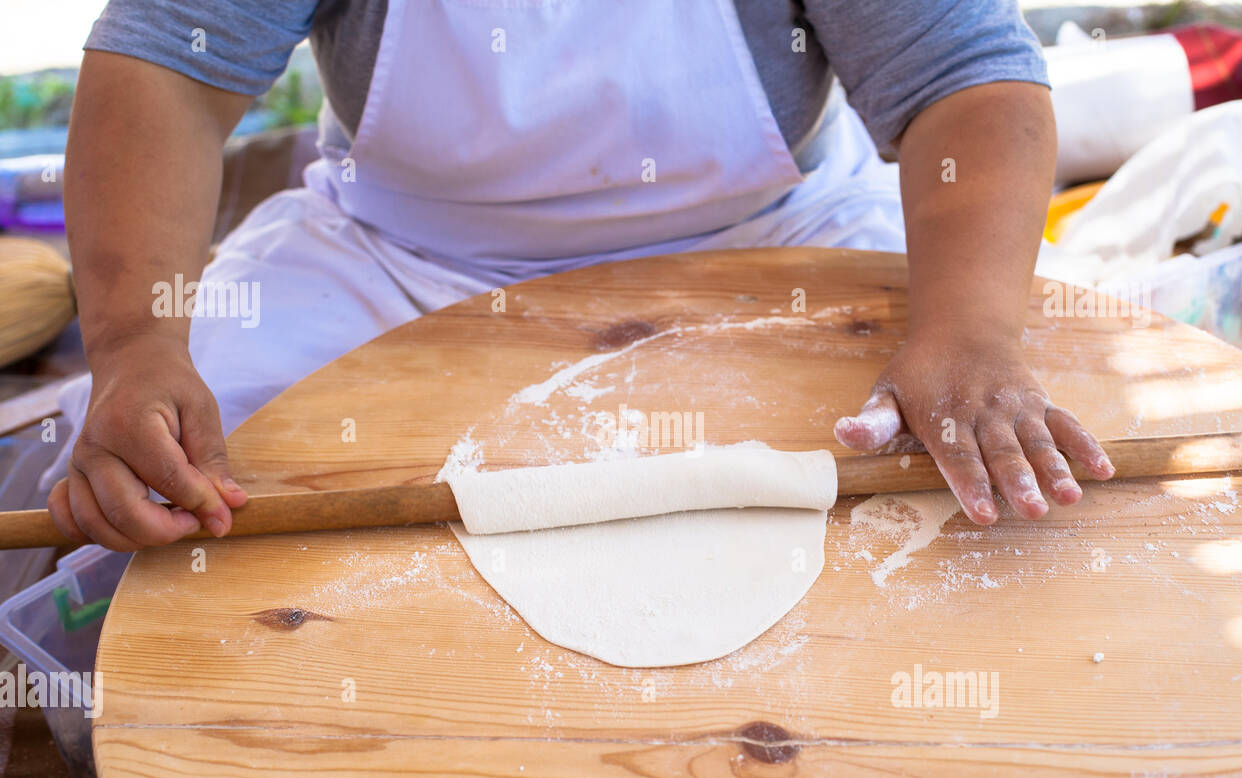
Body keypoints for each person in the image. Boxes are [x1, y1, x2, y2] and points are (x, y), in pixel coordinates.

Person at [47, 0, 1120, 553]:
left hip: (772, 244)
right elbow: (168, 70)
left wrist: (969, 333)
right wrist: (140, 344)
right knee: (191, 460)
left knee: (1015, 449)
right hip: (397, 259)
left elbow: (965, 88)